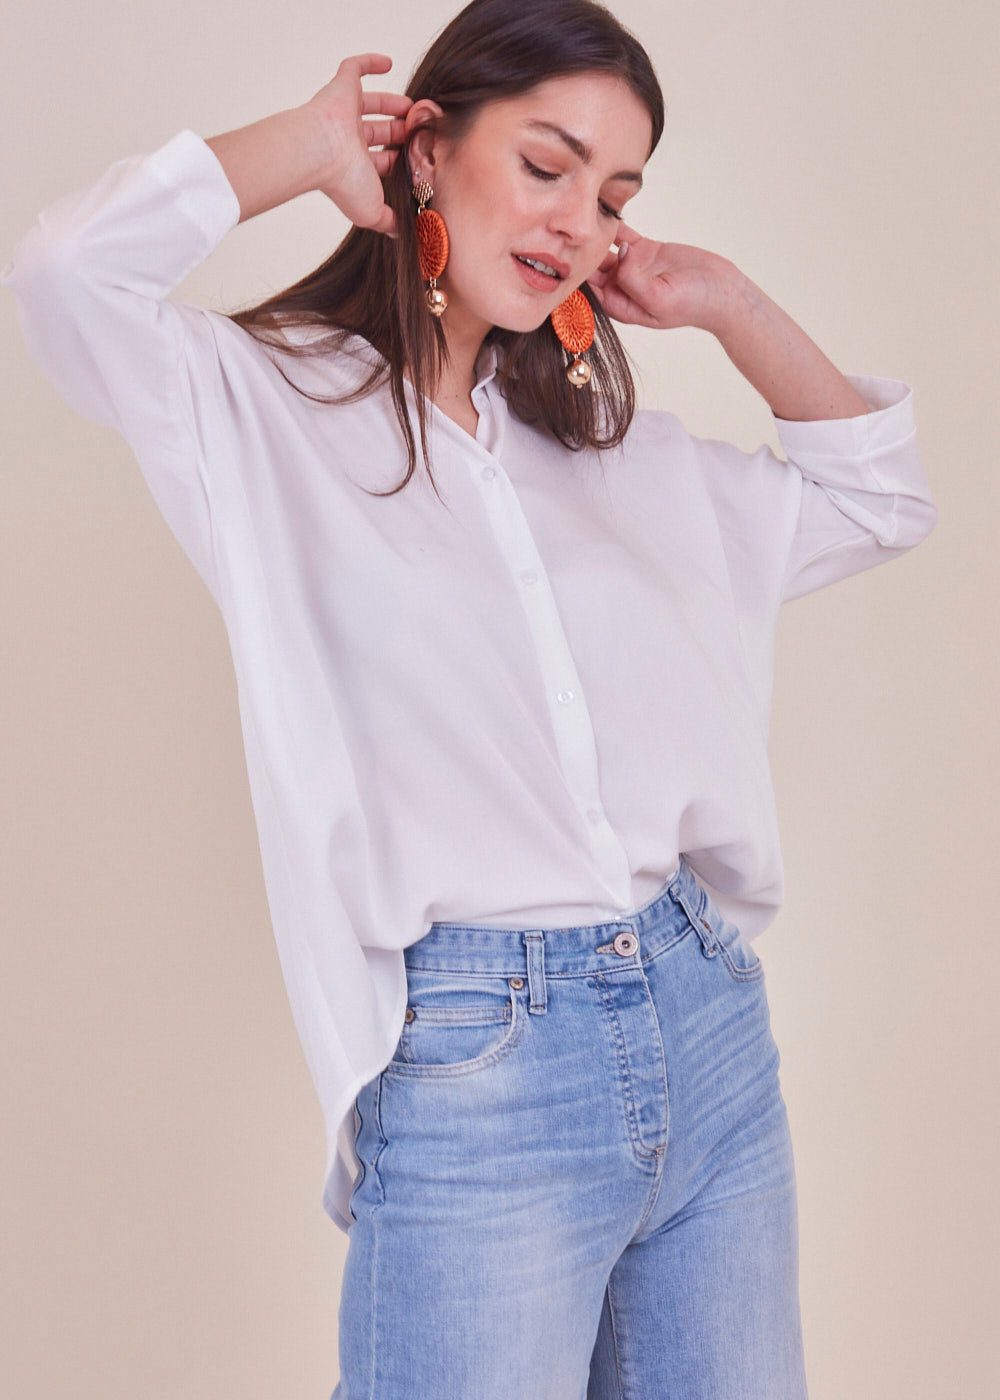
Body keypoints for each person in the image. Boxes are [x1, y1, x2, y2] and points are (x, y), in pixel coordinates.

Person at [2, 1, 937, 1395]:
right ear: (429, 149)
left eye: (613, 196)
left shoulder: (615, 457)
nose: (578, 220)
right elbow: (66, 275)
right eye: (547, 164)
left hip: (708, 1035)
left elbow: (881, 499)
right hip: (484, 1069)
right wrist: (312, 144)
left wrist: (724, 301)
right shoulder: (265, 411)